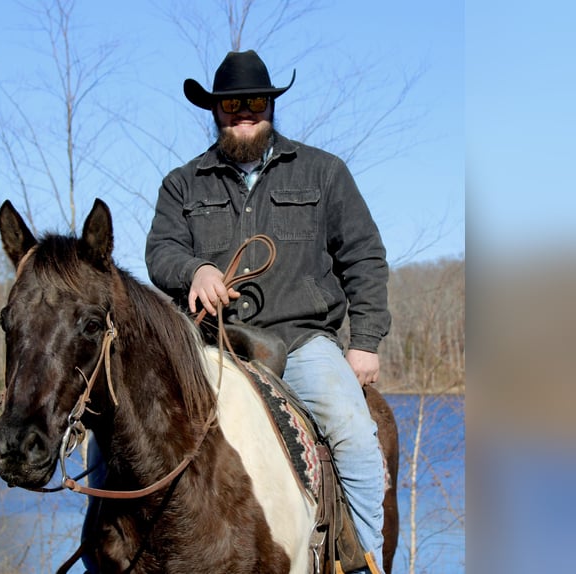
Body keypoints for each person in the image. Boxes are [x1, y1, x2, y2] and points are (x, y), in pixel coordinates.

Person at [145, 50, 390, 573]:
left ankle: (364, 561)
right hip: (208, 347)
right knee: (129, 436)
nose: (243, 111)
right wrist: (196, 271)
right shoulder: (182, 183)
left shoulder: (324, 172)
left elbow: (364, 255)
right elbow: (160, 252)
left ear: (271, 106)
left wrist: (365, 342)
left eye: (254, 101)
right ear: (215, 111)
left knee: (354, 434)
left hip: (301, 342)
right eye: (231, 104)